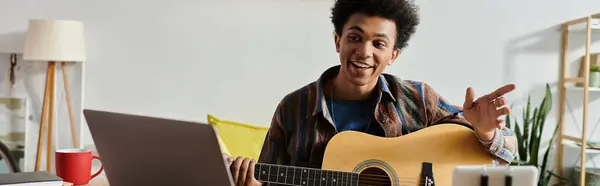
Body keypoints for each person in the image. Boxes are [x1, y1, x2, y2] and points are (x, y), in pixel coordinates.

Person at [223, 0, 518, 185]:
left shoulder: (418, 99)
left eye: (378, 43)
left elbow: (506, 155)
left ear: (393, 55)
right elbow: (267, 176)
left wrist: (486, 133)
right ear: (338, 41)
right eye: (355, 38)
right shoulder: (293, 108)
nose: (364, 52)